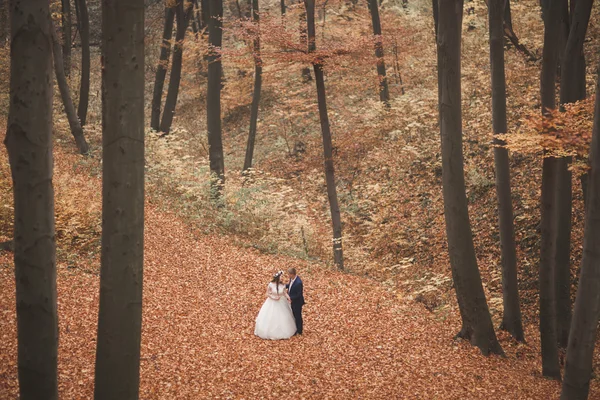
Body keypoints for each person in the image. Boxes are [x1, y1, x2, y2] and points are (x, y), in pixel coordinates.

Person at [254, 271, 297, 340]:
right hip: (272, 302)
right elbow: (267, 294)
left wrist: (288, 297)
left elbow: (284, 293)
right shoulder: (271, 284)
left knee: (283, 316)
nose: (282, 278)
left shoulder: (282, 285)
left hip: (281, 302)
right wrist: (274, 298)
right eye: (281, 277)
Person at [286, 267, 304, 335]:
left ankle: (299, 330)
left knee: (298, 316)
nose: (288, 276)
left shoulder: (298, 283)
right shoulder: (291, 279)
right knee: (293, 314)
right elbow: (290, 286)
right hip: (292, 301)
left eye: (289, 274)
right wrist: (284, 286)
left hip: (297, 302)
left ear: (292, 274)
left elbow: (299, 294)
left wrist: (290, 298)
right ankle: (295, 328)